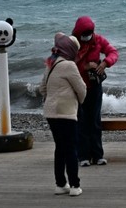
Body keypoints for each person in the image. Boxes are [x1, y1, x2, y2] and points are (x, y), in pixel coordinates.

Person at [40, 33, 87, 197]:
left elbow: (42, 89)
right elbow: (82, 89)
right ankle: (75, 185)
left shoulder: (50, 63)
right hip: (66, 112)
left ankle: (60, 184)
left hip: (51, 112)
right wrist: (78, 102)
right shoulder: (69, 66)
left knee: (60, 147)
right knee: (71, 147)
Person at [72, 16, 118, 167]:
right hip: (78, 87)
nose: (87, 37)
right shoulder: (72, 43)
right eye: (84, 34)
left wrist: (105, 63)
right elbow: (64, 63)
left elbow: (113, 52)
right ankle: (83, 156)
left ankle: (98, 155)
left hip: (94, 86)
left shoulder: (98, 40)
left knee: (95, 121)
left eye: (89, 33)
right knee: (81, 122)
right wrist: (84, 67)